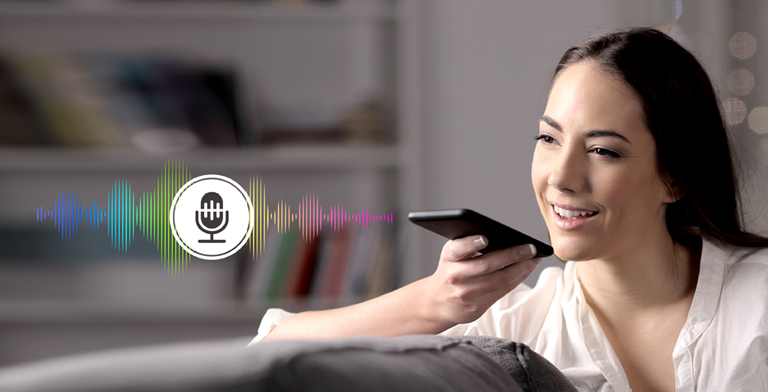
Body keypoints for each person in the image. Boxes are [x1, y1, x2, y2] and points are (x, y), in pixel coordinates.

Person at [251, 28, 768, 391]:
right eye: (548, 138)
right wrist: (436, 303)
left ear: (674, 176)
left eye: (603, 150)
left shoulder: (758, 300)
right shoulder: (514, 327)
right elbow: (269, 353)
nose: (561, 178)